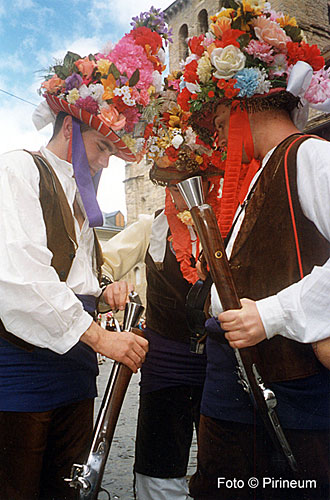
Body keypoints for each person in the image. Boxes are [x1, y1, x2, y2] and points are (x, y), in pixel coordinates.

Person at [0, 10, 170, 498]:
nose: (101, 164)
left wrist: (105, 290)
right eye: (99, 149)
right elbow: (22, 282)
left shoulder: (80, 197)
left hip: (74, 371)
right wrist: (102, 339)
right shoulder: (18, 170)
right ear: (70, 129)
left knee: (68, 488)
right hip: (24, 371)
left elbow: (74, 279)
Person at [176, 2, 330, 499]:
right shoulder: (265, 169)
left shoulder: (310, 155)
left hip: (287, 386)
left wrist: (273, 314)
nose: (216, 131)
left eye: (219, 117)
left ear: (243, 108)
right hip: (240, 385)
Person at [101, 86, 225, 500]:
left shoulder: (230, 225)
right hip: (165, 364)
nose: (182, 194)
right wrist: (108, 285)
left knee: (227, 466)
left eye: (193, 183)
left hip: (222, 367)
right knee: (158, 466)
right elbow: (99, 263)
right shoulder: (148, 227)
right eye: (173, 186)